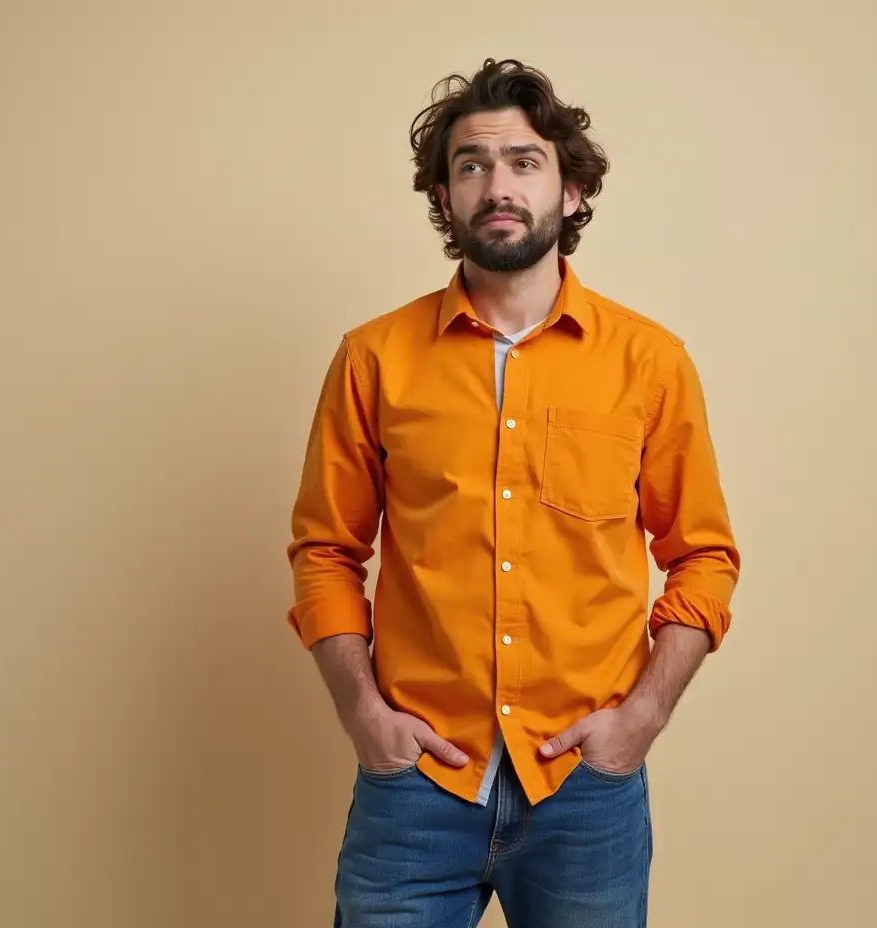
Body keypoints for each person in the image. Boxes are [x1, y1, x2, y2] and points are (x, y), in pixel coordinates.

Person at [286, 57, 740, 928]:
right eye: (471, 165)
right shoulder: (373, 359)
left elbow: (705, 558)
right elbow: (326, 552)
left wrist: (641, 719)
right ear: (447, 200)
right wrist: (364, 717)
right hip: (415, 784)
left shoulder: (649, 363)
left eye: (524, 162)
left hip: (585, 791)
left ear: (570, 192)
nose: (497, 184)